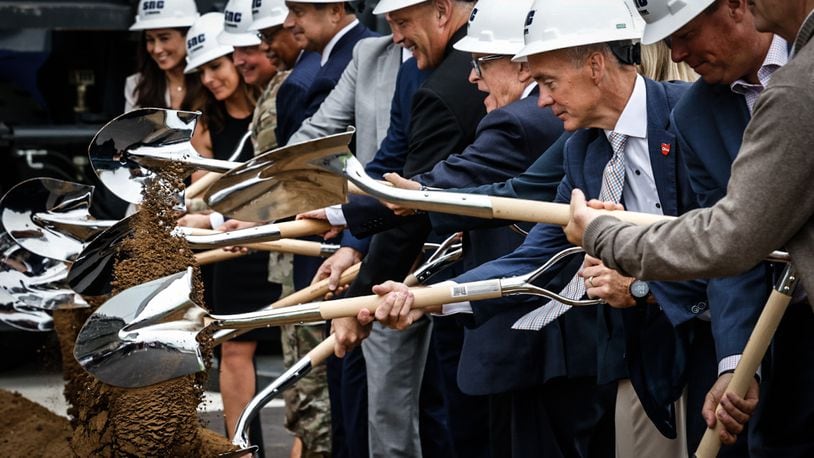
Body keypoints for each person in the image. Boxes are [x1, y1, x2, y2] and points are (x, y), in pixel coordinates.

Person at [369, 0, 704, 455]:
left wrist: (645, 287)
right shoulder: (582, 150)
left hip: (719, 350)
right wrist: (426, 300)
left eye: (548, 82)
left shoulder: (694, 117)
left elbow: (734, 243)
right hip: (644, 362)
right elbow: (535, 257)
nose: (542, 99)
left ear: (594, 66)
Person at [568, 0, 814, 455]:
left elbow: (728, 233)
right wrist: (737, 365)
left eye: (685, 35)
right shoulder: (695, 114)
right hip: (785, 342)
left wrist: (607, 238)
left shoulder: (803, 74)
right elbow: (733, 256)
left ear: (737, 8)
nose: (677, 55)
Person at [176, 13, 281, 455]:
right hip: (232, 246)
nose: (211, 78)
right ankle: (242, 449)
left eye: (216, 66)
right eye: (202, 71)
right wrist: (214, 222)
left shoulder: (278, 103)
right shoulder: (206, 122)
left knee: (298, 352)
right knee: (234, 349)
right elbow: (205, 195)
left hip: (279, 234)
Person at [125, 0, 201, 111]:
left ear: (189, 35)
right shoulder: (137, 85)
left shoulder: (211, 81)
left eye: (164, 38)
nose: (157, 49)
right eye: (150, 39)